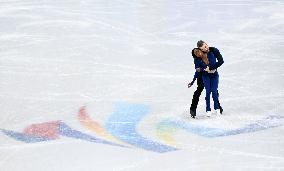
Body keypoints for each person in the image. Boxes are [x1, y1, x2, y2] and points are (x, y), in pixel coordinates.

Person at [188, 40, 224, 118]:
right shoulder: (198, 56)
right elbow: (197, 69)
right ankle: (193, 109)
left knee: (214, 90)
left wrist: (211, 68)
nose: (206, 48)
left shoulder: (213, 50)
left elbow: (221, 61)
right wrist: (193, 80)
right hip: (202, 75)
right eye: (203, 48)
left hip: (212, 74)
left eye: (206, 45)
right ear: (200, 49)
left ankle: (218, 106)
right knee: (199, 89)